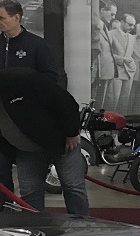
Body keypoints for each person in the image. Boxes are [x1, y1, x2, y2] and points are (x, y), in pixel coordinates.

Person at [0, 68, 89, 216]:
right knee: (30, 193)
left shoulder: (22, 79)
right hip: (26, 150)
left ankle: (81, 226)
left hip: (62, 142)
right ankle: (35, 227)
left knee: (73, 187)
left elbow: (64, 101)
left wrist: (72, 132)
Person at [0, 0, 60, 192]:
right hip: (1, 119)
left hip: (26, 122)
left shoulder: (36, 45)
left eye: (2, 18)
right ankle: (4, 206)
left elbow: (51, 78)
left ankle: (31, 208)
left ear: (16, 18)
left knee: (29, 181)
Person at [109, 13, 137, 112]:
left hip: (129, 73)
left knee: (124, 102)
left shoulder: (132, 38)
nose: (132, 27)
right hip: (116, 72)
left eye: (133, 25)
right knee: (113, 100)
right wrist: (122, 59)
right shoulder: (111, 34)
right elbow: (107, 54)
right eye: (130, 24)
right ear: (122, 22)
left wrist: (132, 65)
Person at [93, 0, 117, 109]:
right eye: (112, 14)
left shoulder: (105, 27)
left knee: (101, 104)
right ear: (102, 10)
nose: (113, 17)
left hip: (105, 73)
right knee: (95, 103)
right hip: (97, 73)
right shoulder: (95, 27)